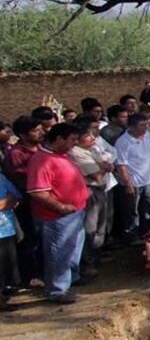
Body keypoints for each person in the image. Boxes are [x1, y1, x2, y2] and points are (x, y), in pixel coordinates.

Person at [25, 123, 89, 304]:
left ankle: (71, 278)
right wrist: (60, 207)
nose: (74, 144)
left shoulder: (60, 156)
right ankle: (57, 290)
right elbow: (37, 192)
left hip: (75, 212)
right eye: (71, 140)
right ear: (59, 139)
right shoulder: (42, 160)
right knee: (58, 252)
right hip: (58, 217)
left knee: (72, 250)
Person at [3, 116, 44, 285]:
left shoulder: (41, 148)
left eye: (40, 129)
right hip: (28, 203)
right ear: (23, 134)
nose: (40, 133)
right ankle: (31, 276)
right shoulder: (16, 154)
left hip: (45, 202)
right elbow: (23, 181)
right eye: (35, 131)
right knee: (29, 239)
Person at [68, 119, 112, 272]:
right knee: (90, 227)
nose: (92, 138)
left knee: (101, 225)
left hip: (100, 189)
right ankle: (88, 262)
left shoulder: (92, 150)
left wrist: (102, 167)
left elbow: (109, 166)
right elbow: (97, 175)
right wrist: (102, 167)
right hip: (90, 191)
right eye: (87, 135)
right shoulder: (75, 153)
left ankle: (96, 257)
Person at [113, 112, 150, 246]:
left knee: (149, 207)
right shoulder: (122, 142)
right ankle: (132, 236)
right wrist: (127, 184)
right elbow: (121, 165)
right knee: (133, 211)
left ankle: (149, 232)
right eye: (142, 125)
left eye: (146, 125)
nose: (145, 128)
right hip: (133, 182)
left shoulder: (148, 136)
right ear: (131, 127)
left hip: (148, 179)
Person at [0, 172, 22, 310]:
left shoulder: (1, 177)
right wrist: (6, 201)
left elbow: (16, 198)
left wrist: (8, 201)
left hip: (6, 230)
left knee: (5, 268)